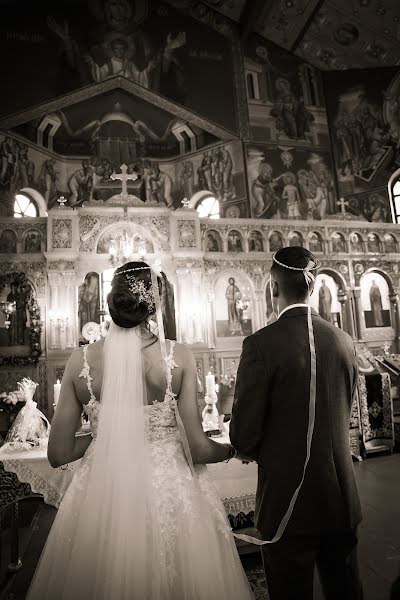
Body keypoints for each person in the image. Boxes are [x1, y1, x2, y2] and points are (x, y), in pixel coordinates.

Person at [27, 261, 253, 600]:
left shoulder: (81, 361)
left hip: (103, 491)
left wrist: (105, 433)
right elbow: (200, 449)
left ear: (110, 302)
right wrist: (235, 449)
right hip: (173, 490)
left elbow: (58, 454)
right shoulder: (179, 356)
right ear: (156, 304)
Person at [230, 246, 363, 600]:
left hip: (288, 500)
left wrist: (249, 448)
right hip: (342, 496)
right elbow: (344, 407)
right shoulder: (345, 341)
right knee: (346, 589)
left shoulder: (261, 344)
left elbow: (244, 433)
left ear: (273, 288)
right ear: (314, 285)